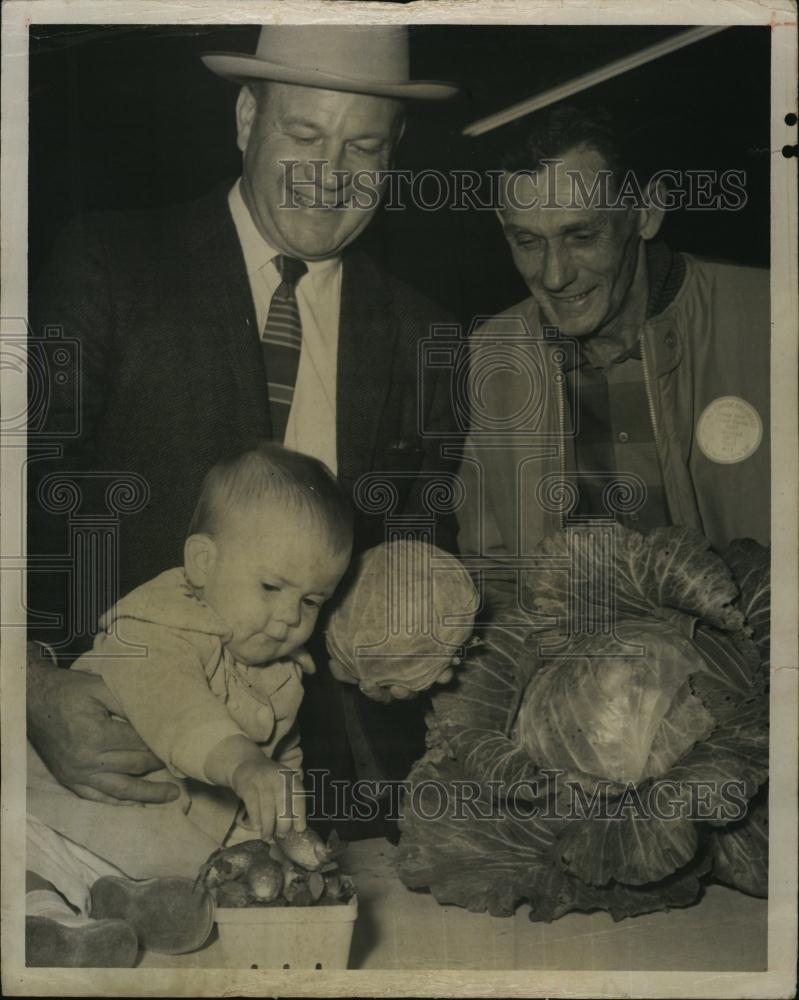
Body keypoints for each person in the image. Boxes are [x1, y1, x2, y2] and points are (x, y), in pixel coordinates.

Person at [26, 25, 461, 823]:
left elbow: (418, 556)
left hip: (324, 787)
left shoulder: (424, 336)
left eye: (362, 148)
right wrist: (25, 686)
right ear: (245, 118)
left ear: (392, 154)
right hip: (106, 758)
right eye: (304, 135)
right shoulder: (109, 265)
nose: (330, 176)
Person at [26, 441, 352, 966]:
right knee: (30, 851)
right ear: (202, 562)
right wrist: (245, 763)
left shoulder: (283, 670)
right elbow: (181, 712)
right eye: (271, 586)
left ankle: (120, 902)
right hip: (70, 800)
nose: (291, 617)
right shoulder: (156, 626)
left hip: (145, 826)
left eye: (312, 600)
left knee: (183, 881)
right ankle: (42, 919)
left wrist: (285, 815)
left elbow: (283, 758)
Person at [456, 104, 769, 608]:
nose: (555, 276)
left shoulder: (769, 320)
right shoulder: (494, 357)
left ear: (646, 213)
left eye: (582, 236)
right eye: (528, 242)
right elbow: (493, 575)